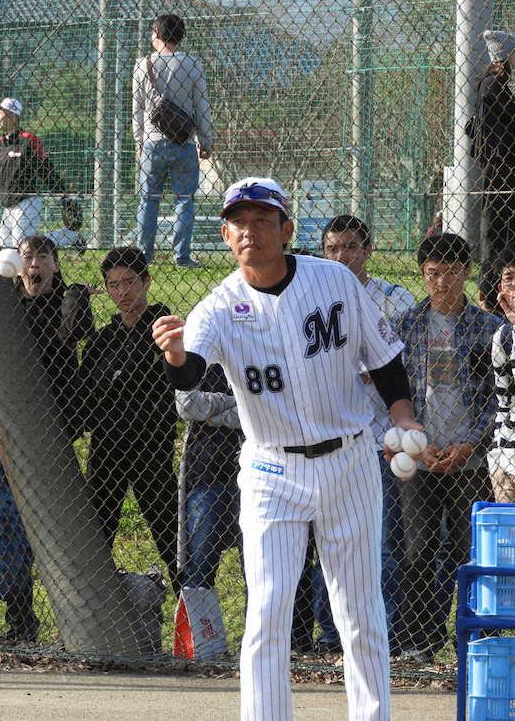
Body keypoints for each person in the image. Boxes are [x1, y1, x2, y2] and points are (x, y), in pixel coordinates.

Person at [154, 177, 422, 720]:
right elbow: (191, 373)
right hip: (271, 469)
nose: (250, 231)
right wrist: (178, 356)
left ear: (287, 230)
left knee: (360, 614)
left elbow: (385, 357)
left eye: (262, 220)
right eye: (240, 222)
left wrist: (402, 414)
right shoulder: (219, 306)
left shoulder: (336, 282)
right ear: (226, 235)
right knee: (269, 612)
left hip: (349, 460)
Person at [289, 214, 416, 656]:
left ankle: (386, 635)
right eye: (332, 248)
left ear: (368, 250)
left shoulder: (395, 298)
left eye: (350, 247)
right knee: (328, 544)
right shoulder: (311, 297)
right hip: (330, 438)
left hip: (384, 438)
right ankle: (330, 636)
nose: (341, 256)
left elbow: (396, 362)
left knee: (383, 545)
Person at [392, 233, 501, 664]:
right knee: (417, 549)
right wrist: (416, 443)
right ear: (422, 275)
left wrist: (469, 443)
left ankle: (469, 640)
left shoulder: (491, 329)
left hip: (470, 460)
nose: (442, 283)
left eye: (452, 272)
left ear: (467, 272)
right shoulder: (407, 325)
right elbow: (394, 391)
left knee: (464, 550)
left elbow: (498, 397)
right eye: (433, 273)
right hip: (419, 457)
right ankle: (417, 644)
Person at [0, 234, 92, 642]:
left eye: (42, 258)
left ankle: (77, 624)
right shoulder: (8, 304)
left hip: (53, 430)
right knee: (8, 522)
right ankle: (20, 618)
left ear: (54, 265)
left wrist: (76, 295)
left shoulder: (68, 297)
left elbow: (70, 334)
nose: (34, 266)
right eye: (27, 258)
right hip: (6, 429)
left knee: (48, 524)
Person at [79, 247, 179, 593]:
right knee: (98, 530)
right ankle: (94, 614)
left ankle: (192, 614)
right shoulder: (103, 339)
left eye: (129, 282)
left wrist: (119, 382)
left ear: (146, 281)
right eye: (113, 285)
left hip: (151, 446)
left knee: (169, 532)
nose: (122, 292)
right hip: (107, 446)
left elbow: (167, 382)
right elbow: (86, 391)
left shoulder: (165, 329)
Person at [132, 13, 212, 267]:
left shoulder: (142, 65)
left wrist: (138, 141)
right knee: (184, 199)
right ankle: (182, 256)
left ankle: (144, 255)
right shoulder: (193, 64)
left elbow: (137, 108)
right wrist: (206, 141)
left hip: (152, 142)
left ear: (157, 34)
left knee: (148, 199)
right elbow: (202, 106)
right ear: (182, 36)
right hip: (184, 142)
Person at [175, 362, 243, 658]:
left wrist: (213, 411)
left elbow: (267, 408)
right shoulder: (199, 361)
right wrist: (235, 404)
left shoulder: (251, 356)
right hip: (205, 475)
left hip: (252, 476)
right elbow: (187, 405)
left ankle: (258, 641)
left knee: (256, 567)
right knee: (200, 565)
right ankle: (202, 645)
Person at [0, 97, 74, 249]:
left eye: (0, 112)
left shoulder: (29, 140)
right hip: (7, 204)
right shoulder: (0, 143)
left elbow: (46, 170)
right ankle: (68, 236)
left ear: (12, 116)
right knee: (5, 247)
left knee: (23, 245)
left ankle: (70, 236)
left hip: (27, 201)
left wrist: (63, 196)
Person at [468, 31, 515, 258]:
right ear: (505, 58)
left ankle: (500, 258)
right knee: (497, 213)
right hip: (500, 160)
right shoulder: (493, 84)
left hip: (500, 159)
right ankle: (493, 261)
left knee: (501, 212)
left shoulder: (492, 83)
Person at [489, 247, 515, 502]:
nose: (514, 285)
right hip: (509, 453)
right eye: (509, 278)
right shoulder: (503, 337)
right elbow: (503, 400)